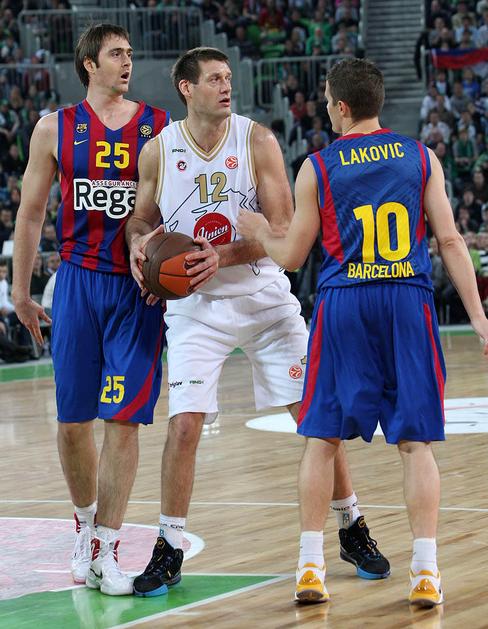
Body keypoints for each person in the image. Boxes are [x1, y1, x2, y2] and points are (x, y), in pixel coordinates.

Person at [126, 47, 390, 598]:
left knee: (315, 419)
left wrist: (218, 256)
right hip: (197, 310)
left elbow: (284, 229)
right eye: (214, 79)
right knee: (184, 425)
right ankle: (169, 546)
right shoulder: (158, 150)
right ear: (186, 88)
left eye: (228, 77)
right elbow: (142, 218)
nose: (226, 86)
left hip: (264, 299)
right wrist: (139, 249)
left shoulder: (257, 141)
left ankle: (351, 525)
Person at [237, 58, 488, 606]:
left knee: (322, 438)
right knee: (416, 443)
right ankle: (426, 571)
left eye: (328, 101)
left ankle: (310, 567)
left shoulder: (319, 166)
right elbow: (450, 241)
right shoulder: (421, 156)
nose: (326, 109)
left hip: (346, 303)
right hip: (407, 301)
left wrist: (258, 230)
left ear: (343, 107)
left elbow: (292, 255)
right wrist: (479, 318)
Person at [11, 23, 179, 596]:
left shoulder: (160, 126)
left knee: (124, 419)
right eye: (116, 54)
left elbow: (174, 207)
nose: (127, 62)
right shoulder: (53, 128)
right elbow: (31, 213)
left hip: (137, 289)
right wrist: (20, 291)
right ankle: (84, 523)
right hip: (78, 283)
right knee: (72, 421)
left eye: (130, 53)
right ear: (89, 63)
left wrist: (169, 270)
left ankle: (108, 546)